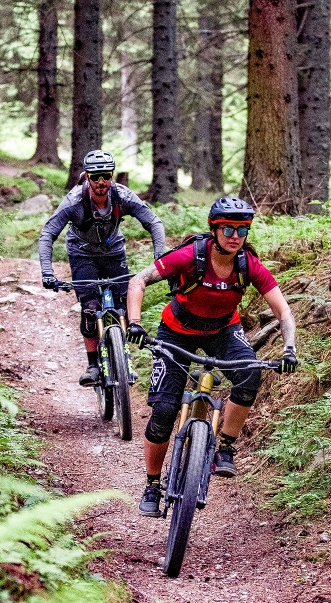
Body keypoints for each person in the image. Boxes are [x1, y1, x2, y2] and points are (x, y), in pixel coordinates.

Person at [124, 196, 298, 517]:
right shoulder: (189, 257)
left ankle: (225, 447)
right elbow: (139, 280)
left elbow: (283, 311)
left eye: (242, 230)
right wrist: (134, 323)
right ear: (214, 229)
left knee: (249, 374)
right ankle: (152, 485)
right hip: (176, 331)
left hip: (223, 330)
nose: (235, 236)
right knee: (164, 411)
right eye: (228, 229)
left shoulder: (247, 265)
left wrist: (290, 348)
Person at [38, 150, 166, 386]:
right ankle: (93, 366)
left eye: (105, 176)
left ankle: (123, 358)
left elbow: (154, 222)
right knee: (90, 309)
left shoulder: (122, 196)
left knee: (125, 305)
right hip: (82, 254)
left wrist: (160, 256)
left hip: (114, 252)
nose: (101, 182)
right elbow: (48, 233)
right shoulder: (74, 201)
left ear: (112, 176)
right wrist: (47, 272)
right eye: (95, 177)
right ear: (87, 176)